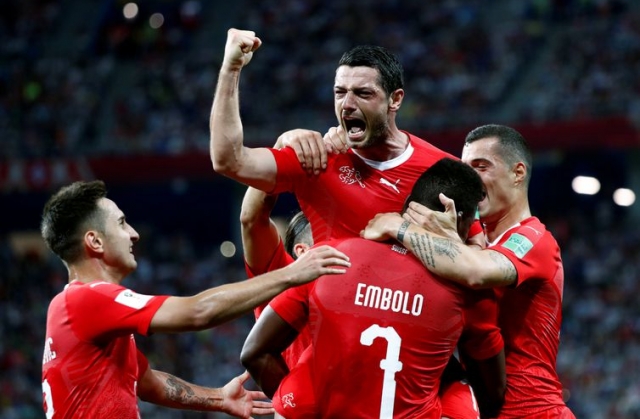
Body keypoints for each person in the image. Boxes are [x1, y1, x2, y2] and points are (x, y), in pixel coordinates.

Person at [40, 180, 350, 418]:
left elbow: (148, 383)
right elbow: (198, 311)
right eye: (121, 223)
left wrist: (219, 398)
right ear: (94, 241)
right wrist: (292, 274)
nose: (133, 234)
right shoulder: (87, 300)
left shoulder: (80, 308)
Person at [240, 158, 506, 418]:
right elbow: (491, 393)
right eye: (473, 226)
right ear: (459, 219)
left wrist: (293, 400)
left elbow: (254, 353)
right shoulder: (469, 290)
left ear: (406, 205)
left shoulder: (328, 257)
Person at [363, 125, 575, 418]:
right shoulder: (468, 242)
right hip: (480, 404)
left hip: (533, 409)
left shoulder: (534, 238)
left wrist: (398, 226)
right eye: (465, 168)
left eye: (481, 166)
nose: (470, 180)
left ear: (518, 173)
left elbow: (476, 272)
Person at [210, 28, 466, 244]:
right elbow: (228, 160)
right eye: (340, 92)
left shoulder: (443, 170)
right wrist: (231, 68)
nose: (347, 104)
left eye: (363, 93)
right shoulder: (316, 158)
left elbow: (479, 252)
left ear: (395, 100)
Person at [240, 183, 313, 370]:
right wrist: (281, 157)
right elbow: (251, 217)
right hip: (299, 398)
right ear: (302, 251)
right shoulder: (283, 275)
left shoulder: (361, 284)